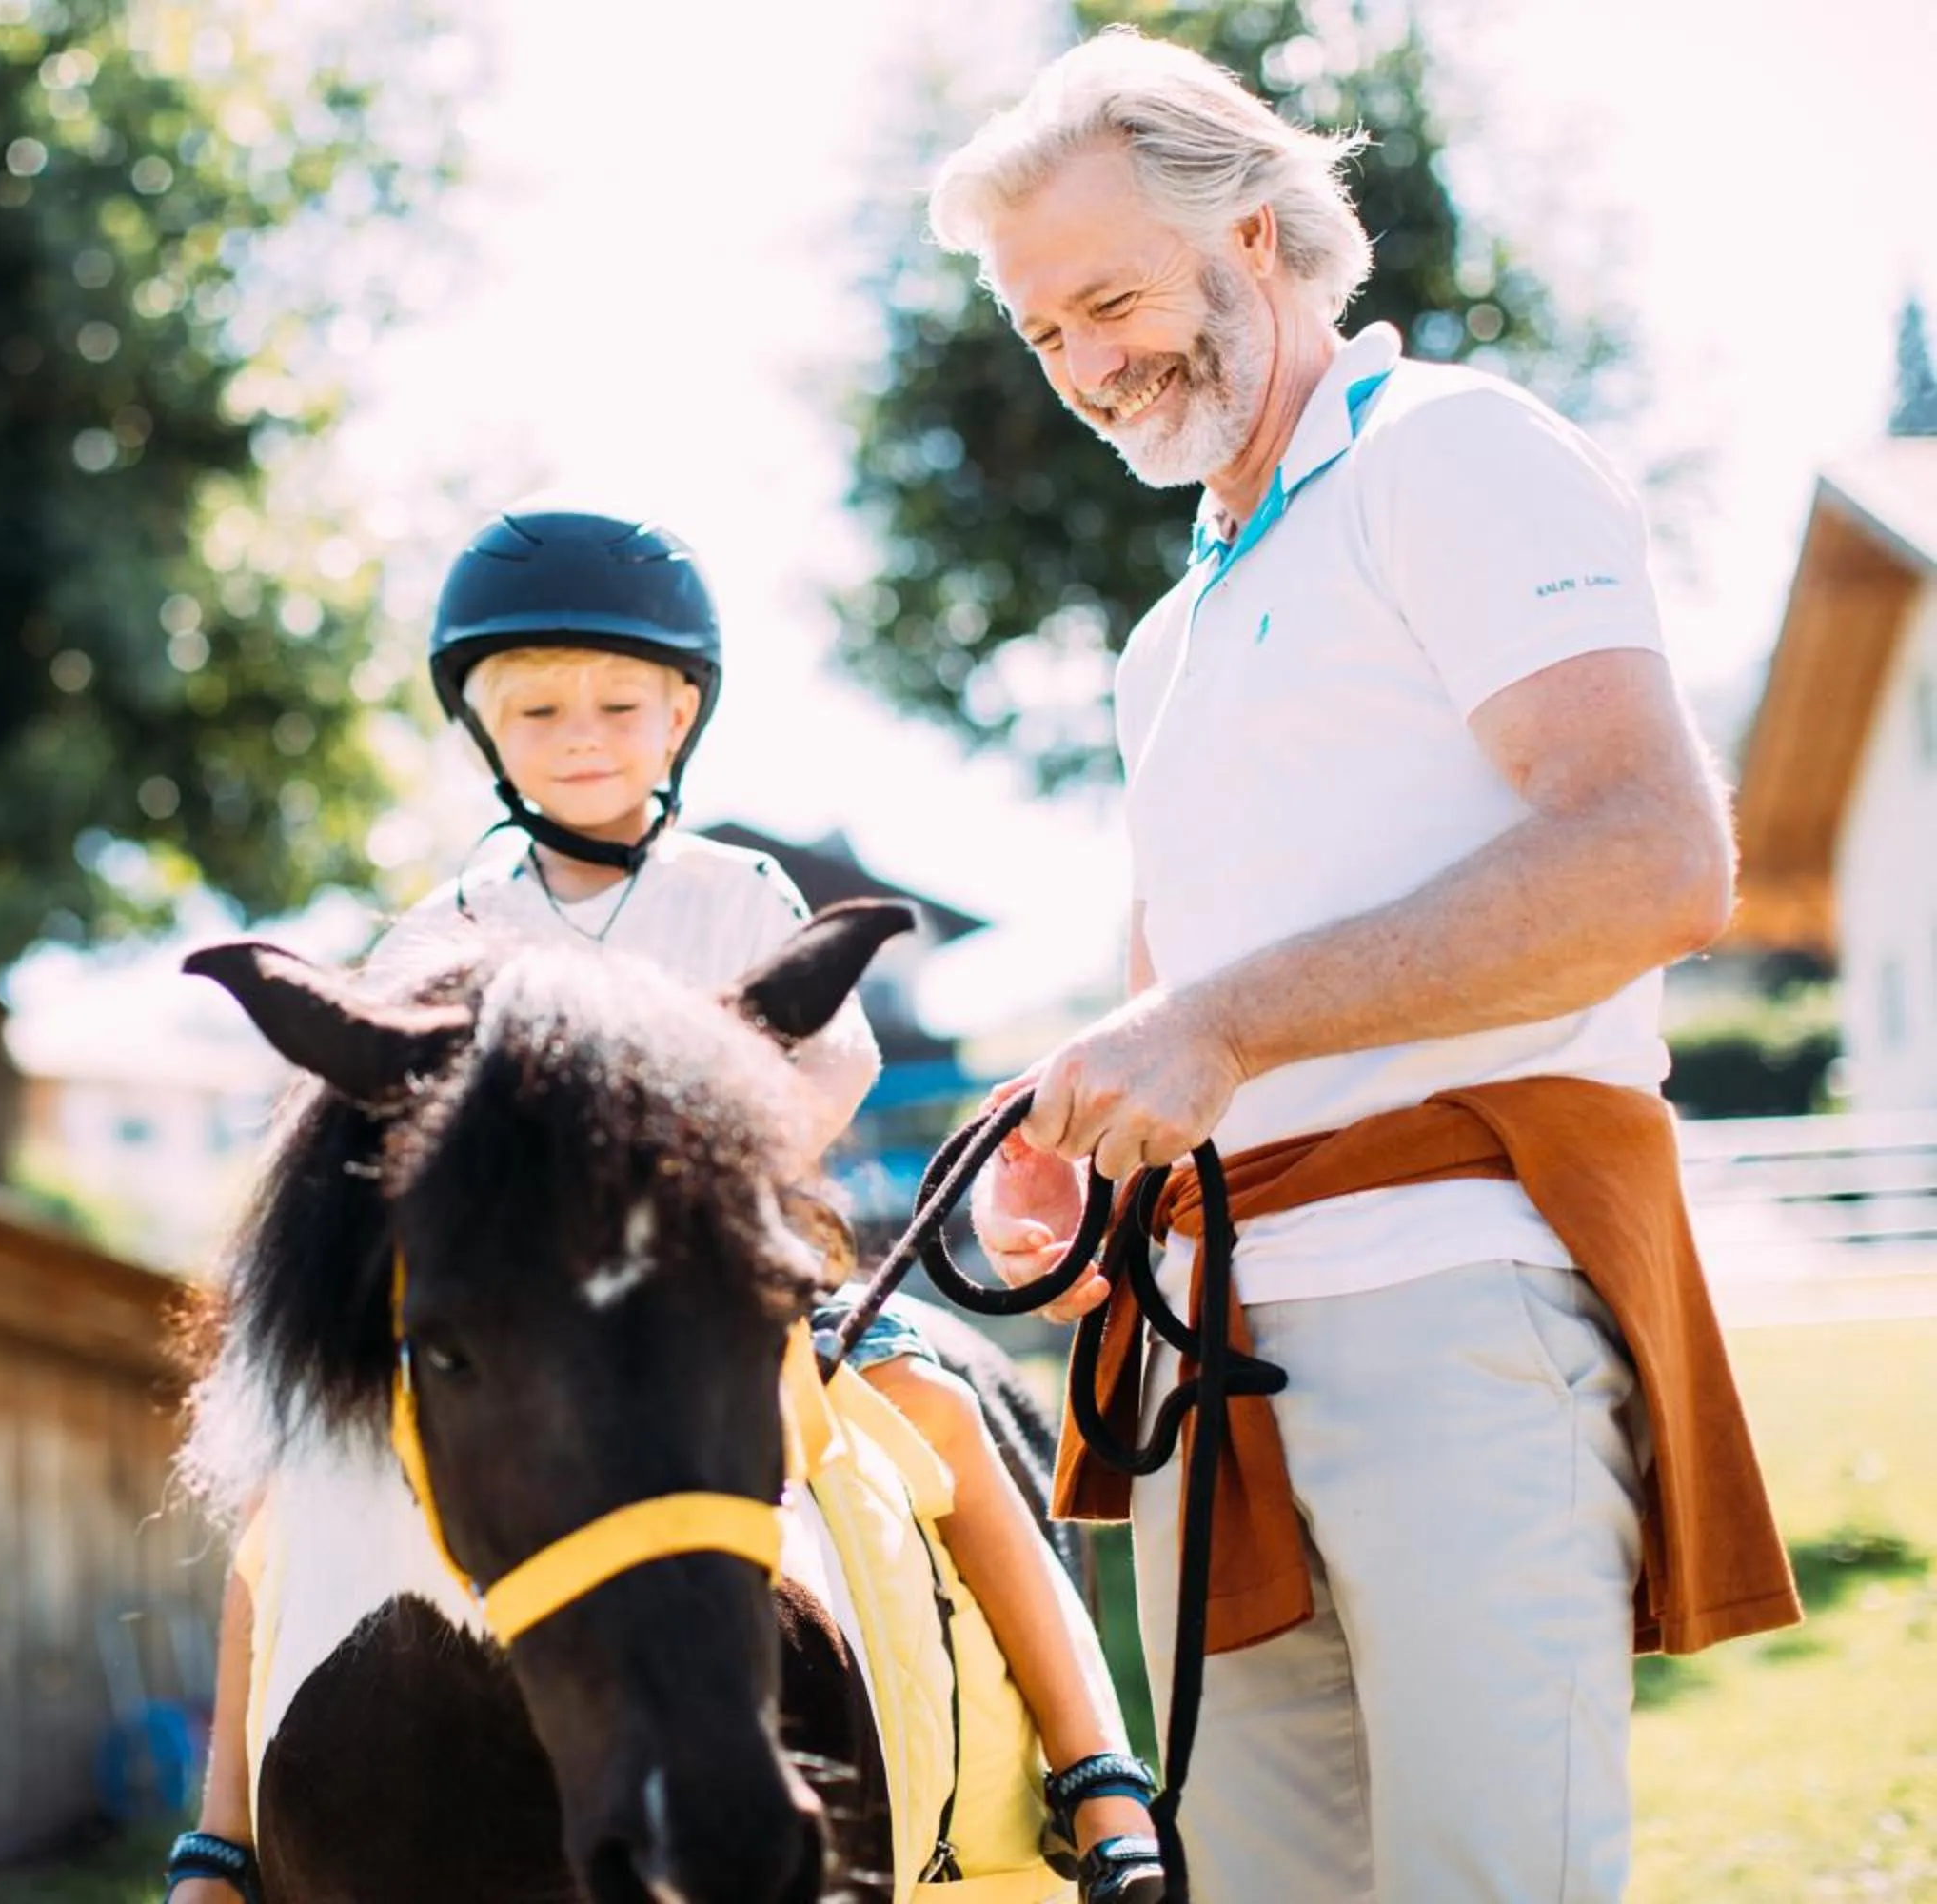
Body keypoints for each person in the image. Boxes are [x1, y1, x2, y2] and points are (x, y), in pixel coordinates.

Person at [923, 28, 1801, 1903]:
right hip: (1205, 1355)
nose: (1083, 369)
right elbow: (1183, 998)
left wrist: (1221, 1020)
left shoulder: (1456, 454)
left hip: (1455, 1302)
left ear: (1252, 234)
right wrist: (1082, 1156)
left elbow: (1656, 855)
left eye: (1107, 301)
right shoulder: (1165, 636)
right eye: (1041, 332)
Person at [167, 506, 1163, 1904]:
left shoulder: (737, 896)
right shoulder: (443, 928)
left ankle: (1094, 1773)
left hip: (710, 1272)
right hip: (532, 1300)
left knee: (934, 1401)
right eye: (540, 709)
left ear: (682, 711)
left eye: (620, 703)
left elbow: (812, 1083)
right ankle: (221, 1832)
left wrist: (693, 1204)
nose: (583, 734)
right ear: (482, 731)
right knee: (293, 1476)